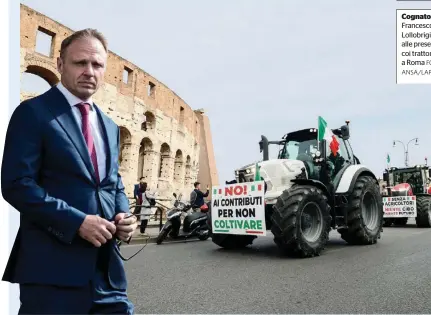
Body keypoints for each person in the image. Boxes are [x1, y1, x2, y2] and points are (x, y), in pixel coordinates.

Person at [1, 28, 137, 314]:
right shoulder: (33, 113)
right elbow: (16, 183)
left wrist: (124, 214)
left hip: (107, 273)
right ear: (61, 64)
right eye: (80, 63)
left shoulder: (110, 126)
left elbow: (113, 183)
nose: (89, 71)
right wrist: (76, 222)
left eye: (97, 64)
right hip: (52, 273)